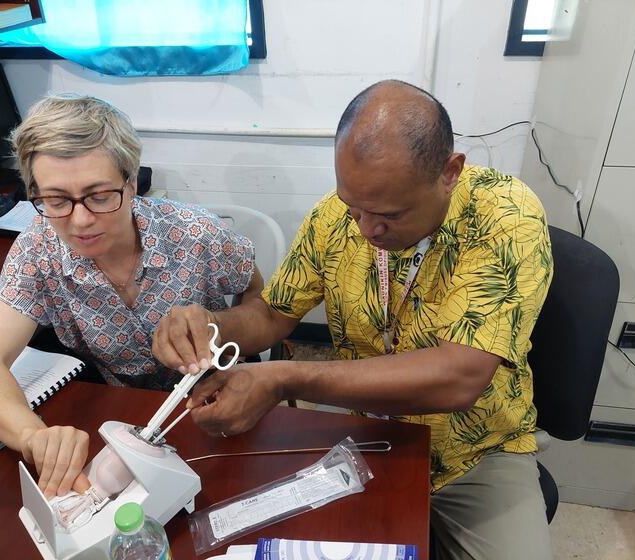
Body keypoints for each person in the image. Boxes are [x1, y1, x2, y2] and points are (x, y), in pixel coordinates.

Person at [152, 80, 554, 559]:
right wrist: (210, 326)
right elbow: (272, 312)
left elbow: (459, 376)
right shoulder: (333, 218)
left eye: (389, 214)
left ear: (450, 172)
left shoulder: (505, 217)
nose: (366, 229)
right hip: (371, 439)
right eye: (354, 208)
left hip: (477, 451)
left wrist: (282, 379)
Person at [0, 94, 263, 500]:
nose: (80, 220)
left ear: (132, 182)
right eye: (57, 199)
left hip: (219, 403)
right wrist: (33, 436)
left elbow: (261, 299)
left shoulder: (193, 233)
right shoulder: (39, 251)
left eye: (100, 195)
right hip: (126, 416)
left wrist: (229, 345)